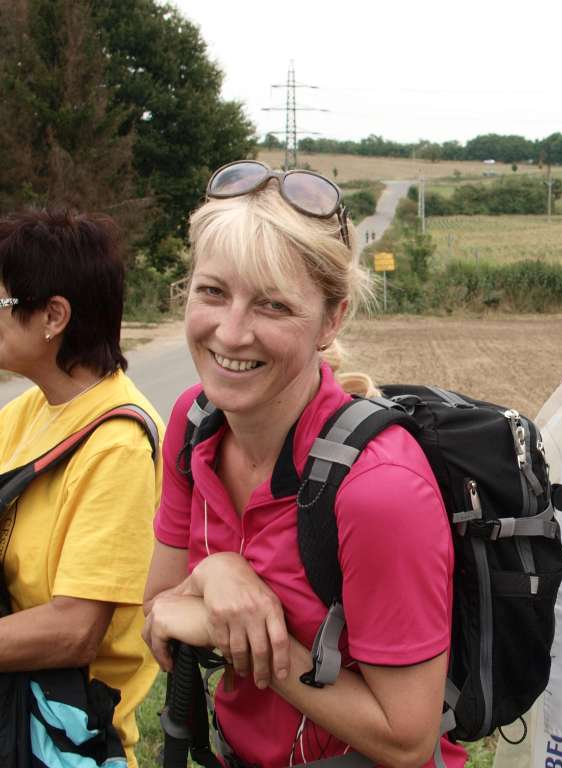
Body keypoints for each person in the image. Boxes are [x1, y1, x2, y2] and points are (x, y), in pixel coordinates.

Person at [142, 160, 465, 768]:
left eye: (272, 306)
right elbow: (159, 614)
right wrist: (218, 575)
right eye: (212, 292)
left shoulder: (379, 491)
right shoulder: (193, 422)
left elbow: (407, 738)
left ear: (332, 320)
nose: (232, 333)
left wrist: (262, 643)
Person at [0, 208, 163, 767]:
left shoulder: (117, 444)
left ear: (53, 316)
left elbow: (73, 631)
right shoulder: (26, 412)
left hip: (59, 740)